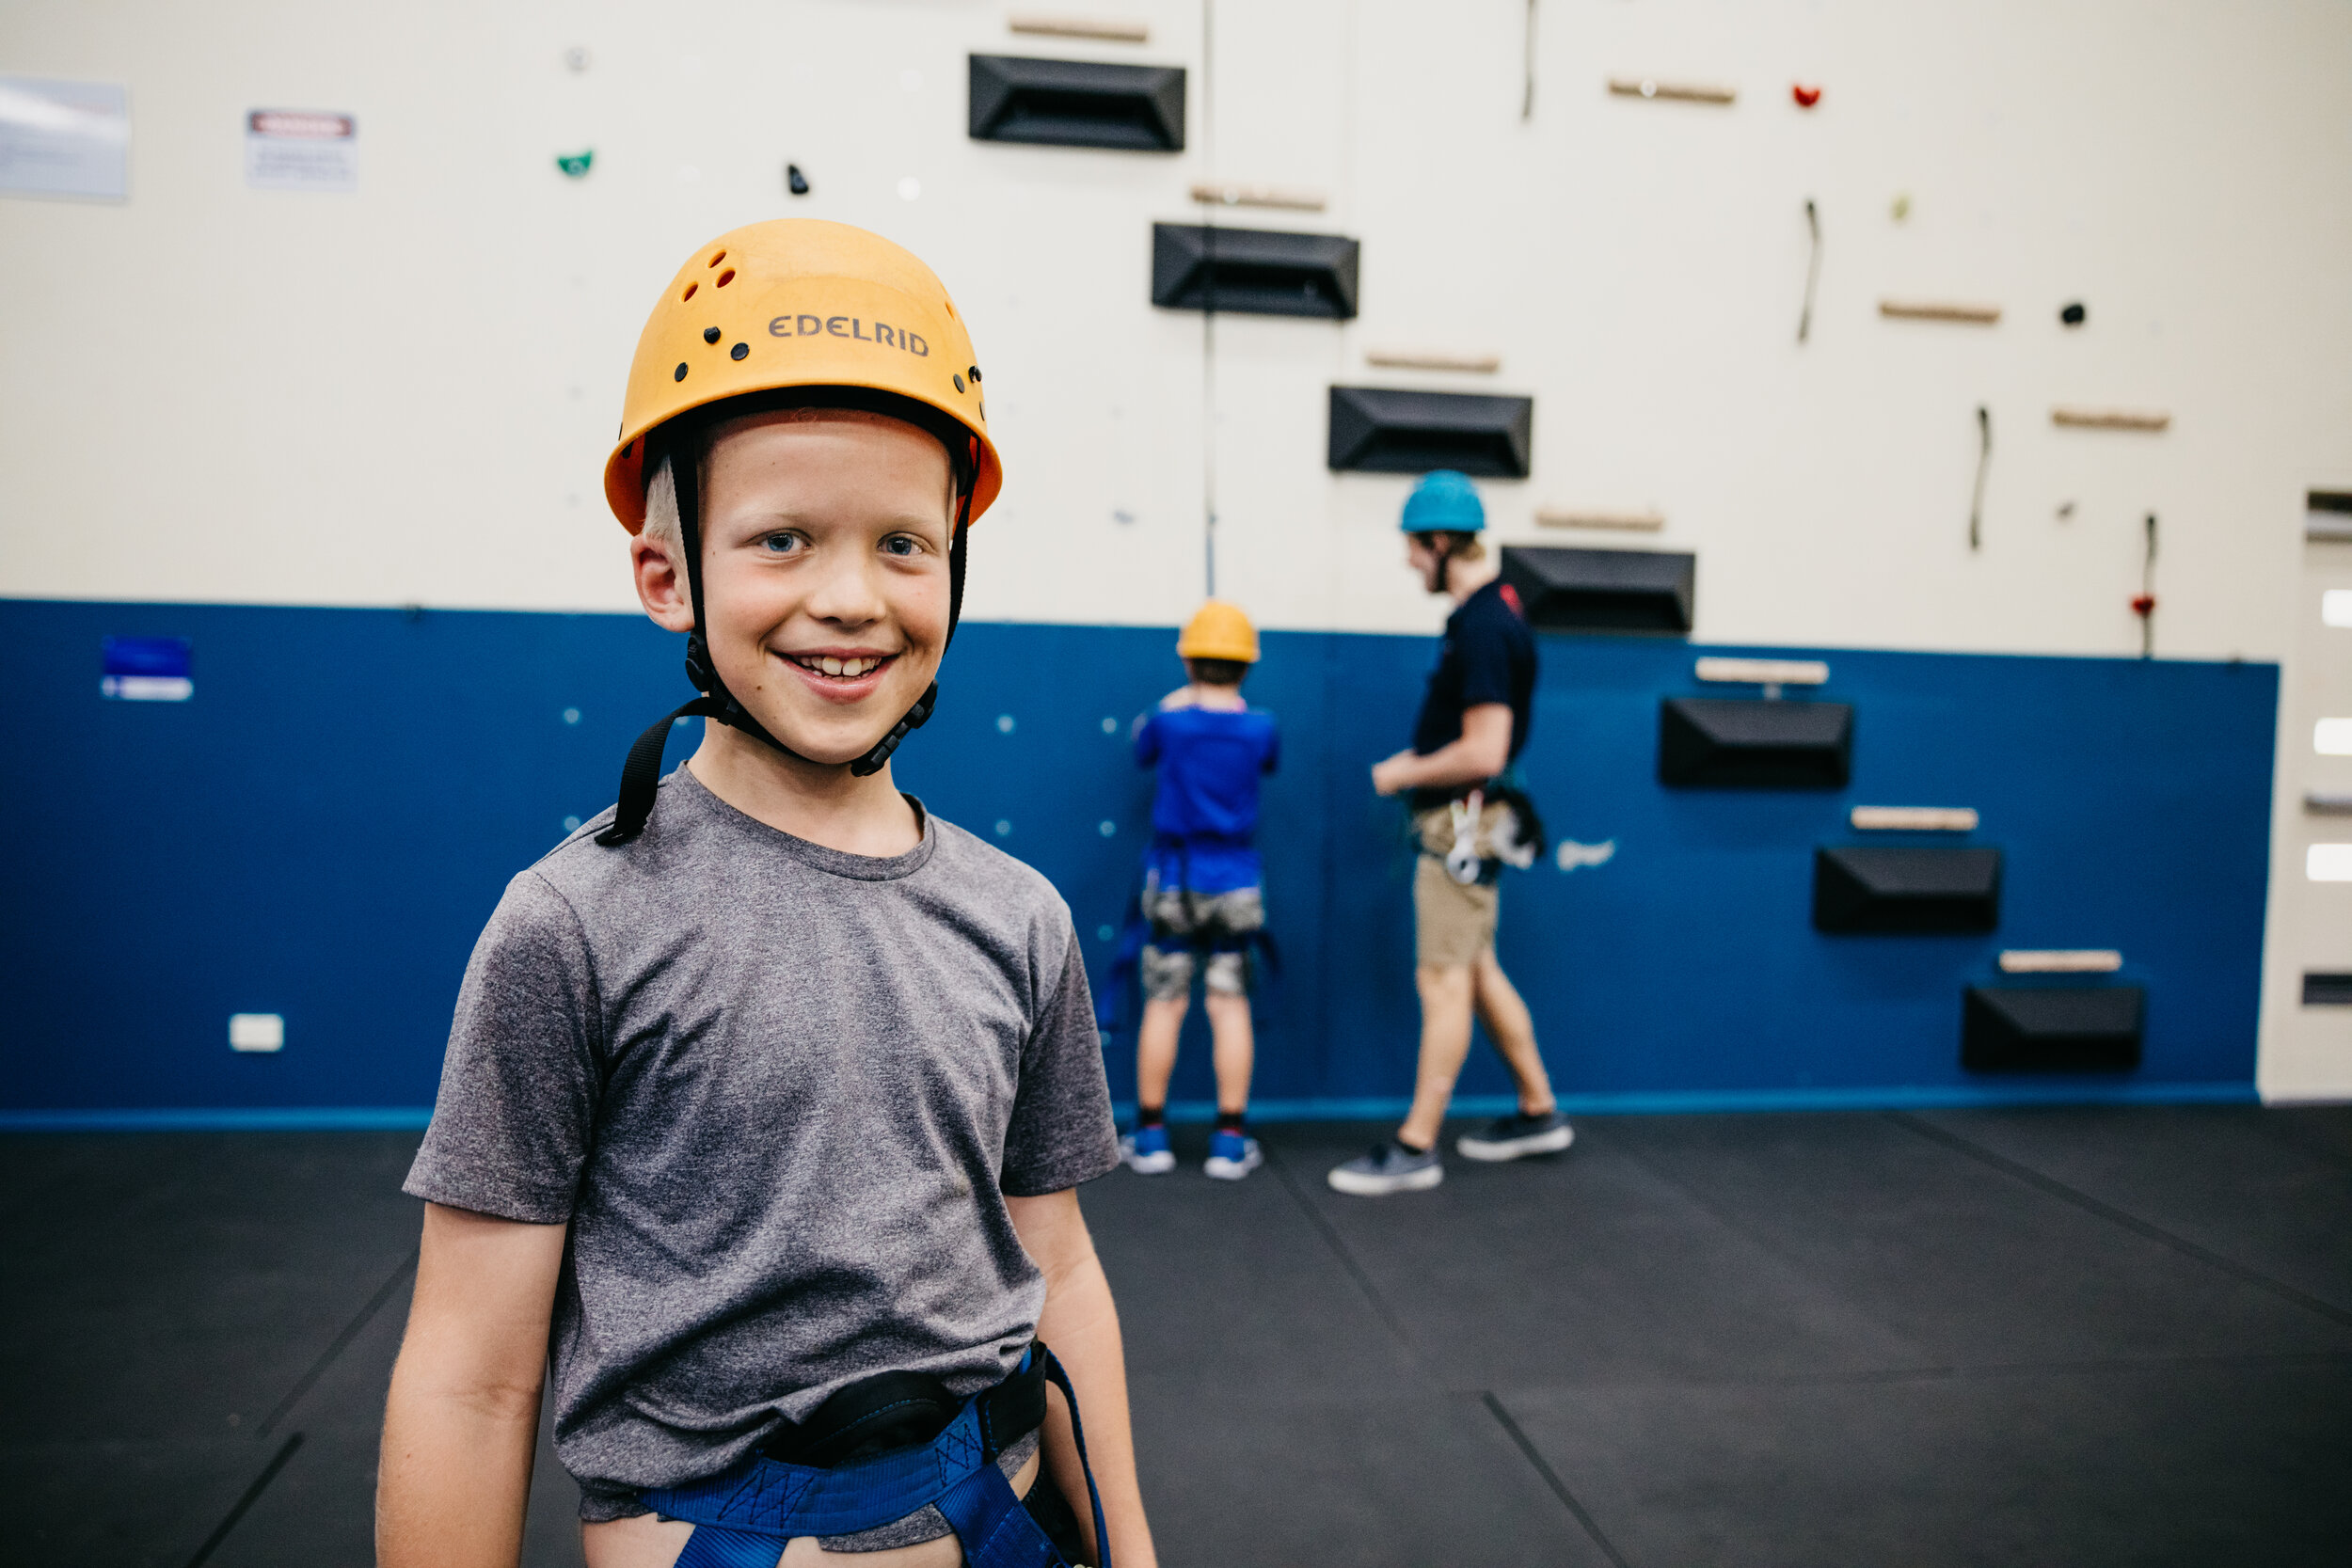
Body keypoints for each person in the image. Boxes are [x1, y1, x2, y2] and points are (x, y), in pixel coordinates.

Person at [377, 219, 1155, 1568]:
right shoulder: (576, 923)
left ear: (957, 570)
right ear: (667, 575)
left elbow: (1061, 1268)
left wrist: (1129, 1548)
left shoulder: (1017, 913)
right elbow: (469, 1373)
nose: (850, 597)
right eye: (783, 538)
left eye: (906, 544)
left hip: (1002, 1498)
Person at [1327, 470, 1572, 1197]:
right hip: (1474, 822)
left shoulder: (1486, 627)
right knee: (1478, 967)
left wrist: (1404, 770)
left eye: (1412, 545)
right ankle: (1539, 1109)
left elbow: (1487, 749)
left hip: (1461, 824)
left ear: (1439, 542)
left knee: (1442, 980)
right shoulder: (1488, 616)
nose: (1408, 561)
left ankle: (1416, 1144)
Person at [1118, 602, 1279, 1182]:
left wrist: (1174, 701)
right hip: (1235, 881)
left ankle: (1152, 1135)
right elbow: (1266, 761)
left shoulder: (1171, 723)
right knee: (1229, 1003)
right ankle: (1230, 1142)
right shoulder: (1261, 727)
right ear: (1246, 667)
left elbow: (1141, 746)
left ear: (1188, 660)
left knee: (1165, 1001)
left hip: (1176, 881)